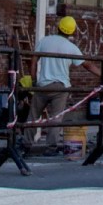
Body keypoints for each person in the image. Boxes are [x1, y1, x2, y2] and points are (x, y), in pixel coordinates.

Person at [30, 14, 83, 147]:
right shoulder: (71, 47)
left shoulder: (44, 41)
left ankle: (26, 143)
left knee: (33, 115)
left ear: (58, 27)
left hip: (42, 85)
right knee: (56, 117)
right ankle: (51, 145)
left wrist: (33, 80)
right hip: (60, 87)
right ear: (72, 31)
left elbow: (34, 61)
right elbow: (87, 64)